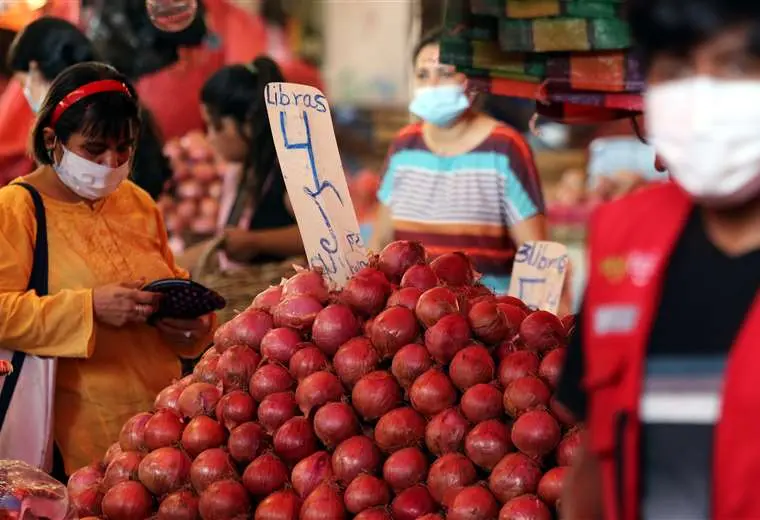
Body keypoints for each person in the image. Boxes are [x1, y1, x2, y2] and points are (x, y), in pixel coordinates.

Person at [556, 0, 760, 518]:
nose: (701, 97)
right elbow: (597, 458)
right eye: (676, 71)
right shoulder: (621, 238)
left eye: (733, 66)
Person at [0, 62, 214, 477]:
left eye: (123, 148)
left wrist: (192, 327)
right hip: (74, 441)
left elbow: (170, 286)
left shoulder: (137, 202)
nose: (110, 162)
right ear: (52, 140)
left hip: (163, 428)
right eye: (94, 149)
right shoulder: (17, 209)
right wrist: (90, 307)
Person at [369, 28, 548, 295]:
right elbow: (380, 241)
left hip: (486, 320)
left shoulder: (505, 147)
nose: (431, 85)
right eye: (422, 75)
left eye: (445, 74)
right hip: (407, 318)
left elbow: (536, 253)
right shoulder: (404, 145)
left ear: (471, 82)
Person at [6, 16, 173, 200]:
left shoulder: (72, 127)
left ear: (35, 70)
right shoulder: (119, 101)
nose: (25, 93)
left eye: (23, 84)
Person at [179, 56, 303, 270]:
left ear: (249, 124)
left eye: (216, 127)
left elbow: (320, 236)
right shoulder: (244, 170)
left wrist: (255, 241)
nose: (210, 138)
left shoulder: (289, 172)